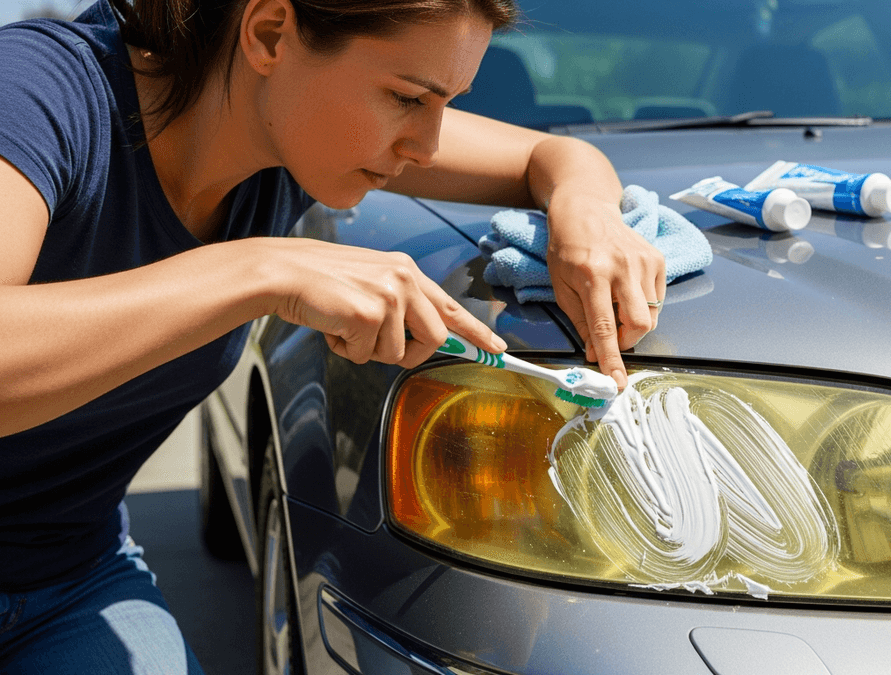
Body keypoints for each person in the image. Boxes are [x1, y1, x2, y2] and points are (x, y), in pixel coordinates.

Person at [0, 0, 666, 670]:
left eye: (447, 102)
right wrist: (261, 269)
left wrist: (586, 208)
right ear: (269, 34)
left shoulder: (290, 132)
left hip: (72, 572)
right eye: (407, 97)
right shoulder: (39, 92)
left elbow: (553, 154)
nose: (428, 147)